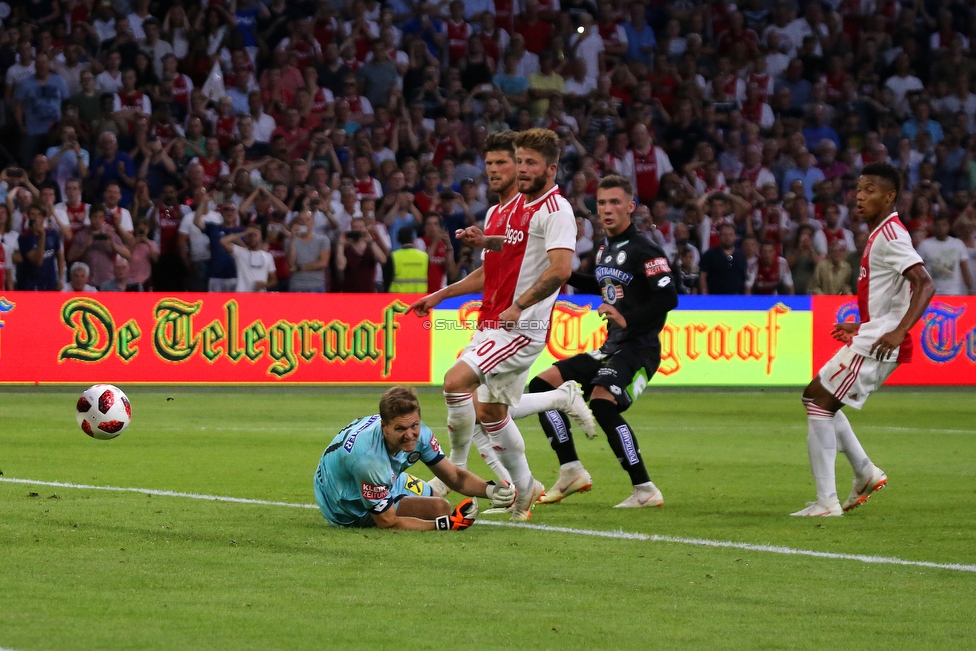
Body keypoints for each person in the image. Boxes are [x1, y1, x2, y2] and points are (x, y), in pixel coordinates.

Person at [408, 128, 581, 521]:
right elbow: (500, 263)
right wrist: (443, 291)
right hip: (495, 323)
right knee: (490, 413)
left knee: (455, 382)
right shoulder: (516, 207)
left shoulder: (557, 211)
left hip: (521, 328)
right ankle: (526, 489)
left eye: (528, 163)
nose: (520, 169)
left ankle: (455, 466)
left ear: (551, 168)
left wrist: (520, 305)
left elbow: (560, 269)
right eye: (517, 161)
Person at [793, 163, 935, 517]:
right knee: (816, 397)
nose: (860, 195)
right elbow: (896, 294)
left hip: (881, 343)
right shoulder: (880, 233)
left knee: (818, 403)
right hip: (874, 334)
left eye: (870, 189)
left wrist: (899, 330)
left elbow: (925, 283)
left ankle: (828, 501)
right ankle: (865, 473)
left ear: (890, 196)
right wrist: (862, 324)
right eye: (859, 188)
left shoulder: (892, 235)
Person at [528, 175, 678, 508]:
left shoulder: (645, 249)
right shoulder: (604, 249)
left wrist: (630, 319)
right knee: (540, 385)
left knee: (601, 402)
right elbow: (606, 289)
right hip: (611, 347)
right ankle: (570, 469)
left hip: (640, 349)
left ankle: (645, 489)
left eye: (614, 202)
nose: (607, 210)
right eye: (601, 203)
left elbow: (668, 296)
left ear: (630, 207)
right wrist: (564, 275)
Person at [313, 385, 516, 530]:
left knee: (438, 502)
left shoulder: (421, 435)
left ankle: (396, 495)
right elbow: (387, 522)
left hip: (381, 477)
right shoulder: (370, 462)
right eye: (400, 429)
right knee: (440, 509)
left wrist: (491, 490)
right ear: (384, 427)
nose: (410, 435)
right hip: (344, 503)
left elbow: (454, 476)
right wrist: (444, 525)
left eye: (414, 426)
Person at [916, 214, 974, 296]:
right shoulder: (924, 245)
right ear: (933, 226)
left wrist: (970, 288)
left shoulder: (958, 244)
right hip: (932, 293)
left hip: (954, 292)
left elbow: (964, 268)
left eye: (943, 225)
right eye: (938, 225)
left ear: (948, 226)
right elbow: (919, 270)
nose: (941, 228)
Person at [220, 225, 277, 293]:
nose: (252, 238)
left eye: (255, 235)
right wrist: (244, 233)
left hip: (260, 295)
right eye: (250, 235)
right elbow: (223, 241)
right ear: (246, 237)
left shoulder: (268, 256)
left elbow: (273, 280)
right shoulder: (240, 252)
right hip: (242, 295)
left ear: (260, 236)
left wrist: (264, 284)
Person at [699, 222, 747, 294]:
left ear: (735, 237)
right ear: (719, 236)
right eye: (724, 235)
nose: (727, 238)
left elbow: (744, 278)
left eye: (730, 235)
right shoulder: (710, 254)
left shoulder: (741, 255)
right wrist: (705, 295)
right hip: (715, 297)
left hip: (736, 298)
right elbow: (703, 276)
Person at [388, 226, 429, 292]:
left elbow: (387, 280)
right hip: (419, 297)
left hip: (398, 299)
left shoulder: (393, 256)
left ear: (398, 239)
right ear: (413, 239)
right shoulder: (424, 256)